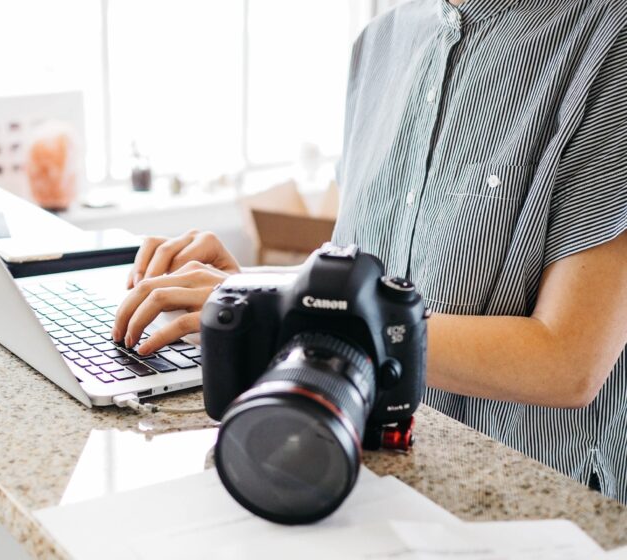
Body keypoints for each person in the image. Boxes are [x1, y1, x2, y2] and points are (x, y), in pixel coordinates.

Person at [112, 0, 627, 502]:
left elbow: (567, 360)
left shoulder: (609, 36)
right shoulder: (378, 45)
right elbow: (361, 280)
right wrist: (256, 288)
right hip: (363, 475)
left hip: (527, 504)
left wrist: (280, 306)